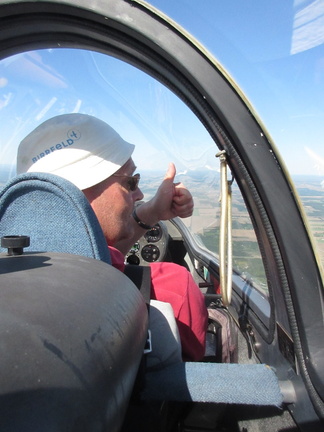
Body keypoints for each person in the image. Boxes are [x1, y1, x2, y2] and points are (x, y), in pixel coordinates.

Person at [17, 113, 208, 361]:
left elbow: (99, 257)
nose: (139, 194)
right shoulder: (172, 289)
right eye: (131, 182)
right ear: (80, 191)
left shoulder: (15, 274)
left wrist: (153, 213)